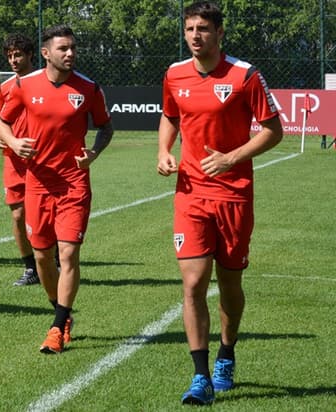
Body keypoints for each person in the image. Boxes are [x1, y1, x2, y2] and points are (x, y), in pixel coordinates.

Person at [156, 2, 283, 405]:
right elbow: (170, 116)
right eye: (190, 28)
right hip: (190, 193)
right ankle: (200, 376)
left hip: (233, 195)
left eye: (204, 29)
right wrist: (163, 150)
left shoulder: (244, 75)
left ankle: (227, 352)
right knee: (193, 283)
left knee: (230, 283)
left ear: (220, 33)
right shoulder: (174, 74)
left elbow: (273, 130)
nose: (195, 35)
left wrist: (231, 158)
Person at [0, 25, 113, 354]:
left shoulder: (88, 88)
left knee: (68, 254)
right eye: (63, 49)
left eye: (73, 47)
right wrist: (14, 141)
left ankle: (57, 326)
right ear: (46, 53)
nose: (70, 53)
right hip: (38, 184)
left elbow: (105, 127)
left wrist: (95, 151)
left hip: (74, 183)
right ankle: (60, 310)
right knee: (43, 257)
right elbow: (1, 122)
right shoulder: (24, 86)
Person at [0, 33, 40, 286]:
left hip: (39, 159)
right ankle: (30, 268)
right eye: (10, 56)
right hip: (13, 161)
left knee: (45, 215)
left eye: (18, 55)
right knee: (17, 215)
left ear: (31, 55)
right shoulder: (6, 87)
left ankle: (51, 259)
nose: (13, 60)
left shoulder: (45, 82)